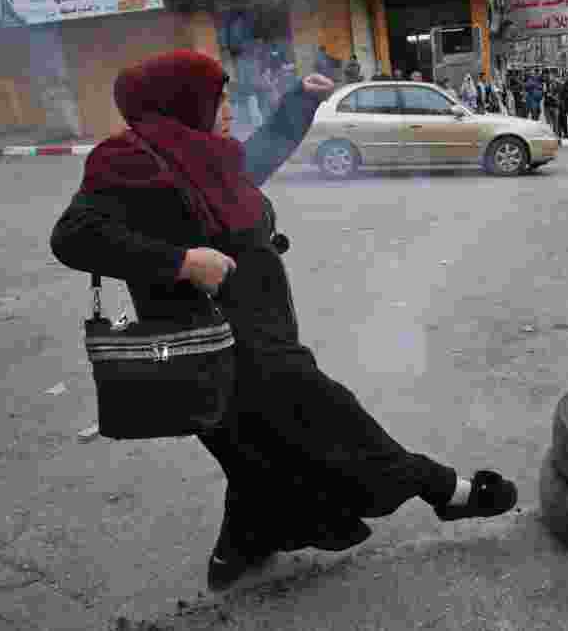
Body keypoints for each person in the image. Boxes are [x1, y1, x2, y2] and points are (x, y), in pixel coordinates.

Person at [49, 51, 519, 593]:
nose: (227, 107)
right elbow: (73, 237)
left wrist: (300, 103)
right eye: (215, 97)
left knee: (254, 458)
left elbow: (258, 161)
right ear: (177, 102)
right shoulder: (126, 164)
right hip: (215, 349)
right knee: (342, 428)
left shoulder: (206, 155)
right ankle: (450, 493)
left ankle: (237, 552)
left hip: (260, 332)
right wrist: (180, 262)